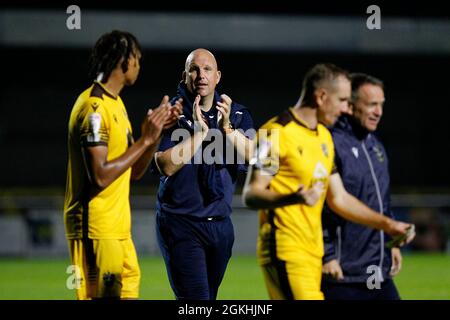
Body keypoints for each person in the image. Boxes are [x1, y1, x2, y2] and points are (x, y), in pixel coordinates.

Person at [242, 63, 415, 300]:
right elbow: (251, 194)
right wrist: (294, 197)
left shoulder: (323, 137)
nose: (346, 109)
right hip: (285, 251)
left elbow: (340, 198)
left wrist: (387, 225)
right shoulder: (275, 133)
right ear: (322, 97)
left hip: (313, 254)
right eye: (343, 100)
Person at [63, 30, 181, 300]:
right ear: (125, 61)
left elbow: (135, 171)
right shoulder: (94, 108)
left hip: (118, 229)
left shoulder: (116, 105)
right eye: (137, 58)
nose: (139, 65)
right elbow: (100, 176)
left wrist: (156, 134)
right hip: (97, 227)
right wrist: (145, 139)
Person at [152, 48, 255, 300]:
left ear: (218, 76)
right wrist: (199, 134)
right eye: (194, 69)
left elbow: (253, 156)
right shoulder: (172, 115)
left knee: (207, 298)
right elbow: (165, 165)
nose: (201, 75)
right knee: (196, 300)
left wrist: (227, 129)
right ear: (184, 76)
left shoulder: (237, 114)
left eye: (207, 69)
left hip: (220, 225)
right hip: (181, 223)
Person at [321, 73, 405, 300]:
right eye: (371, 105)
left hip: (377, 269)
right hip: (343, 273)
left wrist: (391, 242)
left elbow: (382, 202)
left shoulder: (375, 145)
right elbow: (320, 209)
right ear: (350, 105)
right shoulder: (329, 142)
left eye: (381, 105)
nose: (379, 112)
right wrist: (327, 256)